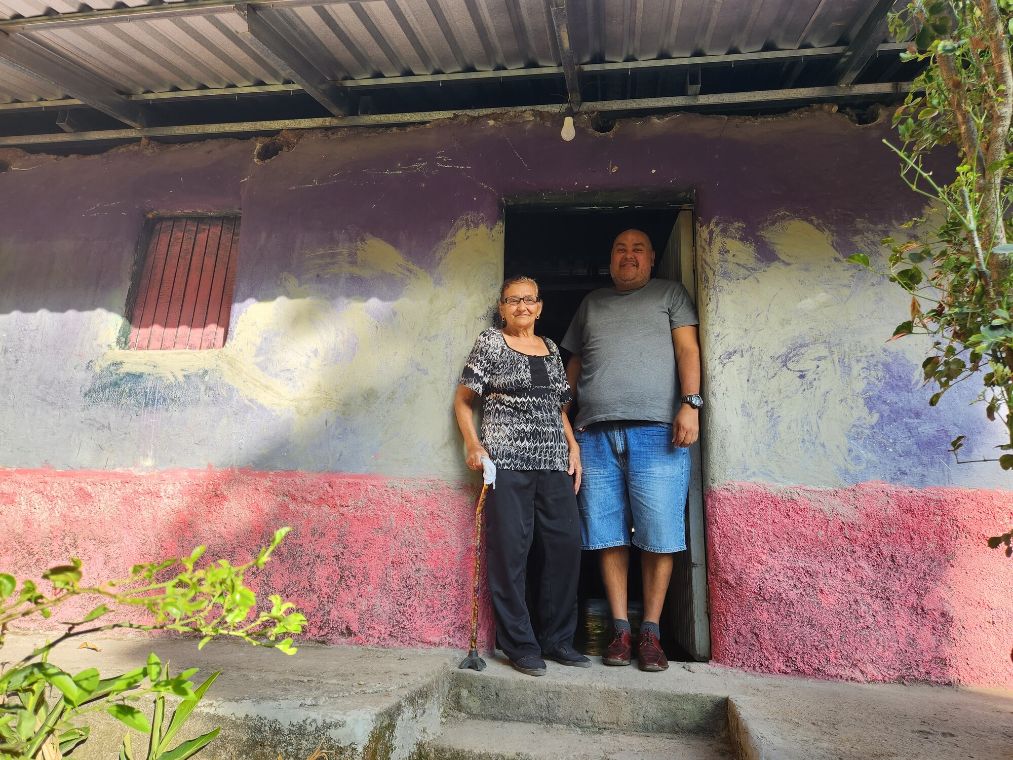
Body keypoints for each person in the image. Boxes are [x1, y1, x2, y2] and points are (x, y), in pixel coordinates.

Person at [561, 229, 702, 673]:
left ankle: (652, 632)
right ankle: (620, 628)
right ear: (610, 258)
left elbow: (687, 350)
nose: (629, 256)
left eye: (638, 249)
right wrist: (559, 413)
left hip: (658, 433)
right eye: (620, 249)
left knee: (659, 534)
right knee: (607, 534)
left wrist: (691, 404)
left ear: (652, 258)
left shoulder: (670, 294)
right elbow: (574, 364)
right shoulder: (592, 303)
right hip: (595, 433)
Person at [454, 275, 589, 676]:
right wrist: (473, 445)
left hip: (552, 461)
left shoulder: (549, 348)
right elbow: (463, 402)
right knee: (512, 550)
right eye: (513, 301)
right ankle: (520, 644)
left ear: (540, 306)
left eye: (529, 300)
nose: (522, 307)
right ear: (502, 307)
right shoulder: (491, 343)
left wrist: (573, 447)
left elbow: (557, 407)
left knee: (565, 547)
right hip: (508, 461)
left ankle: (558, 640)